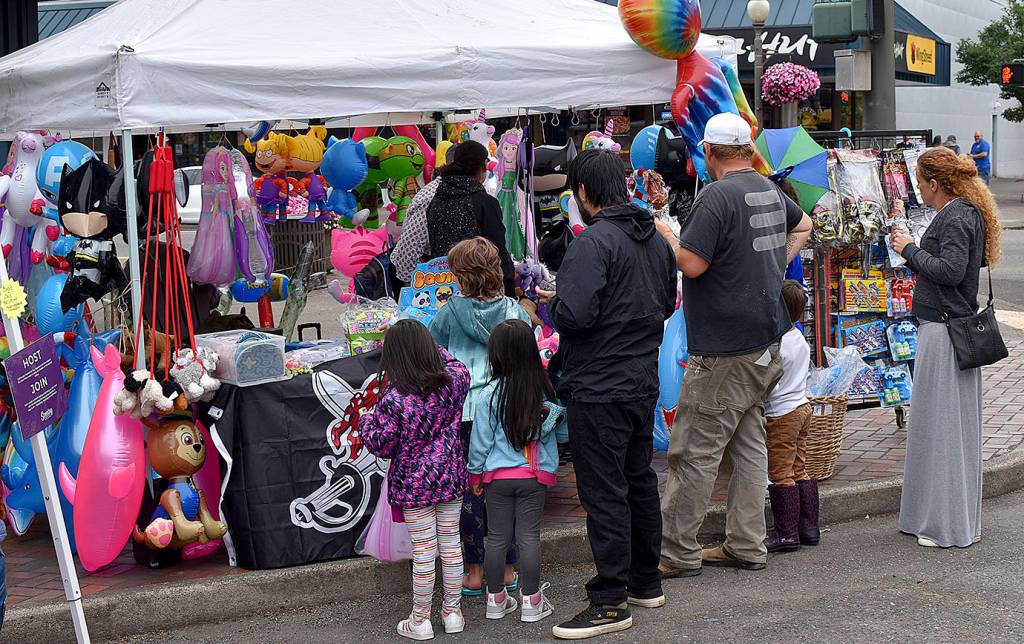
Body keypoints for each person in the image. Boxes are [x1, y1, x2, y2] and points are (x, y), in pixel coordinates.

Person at [655, 112, 812, 576]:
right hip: (766, 339)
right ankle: (746, 542)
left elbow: (692, 264)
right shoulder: (769, 188)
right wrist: (771, 265)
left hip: (723, 349)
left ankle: (678, 553)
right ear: (747, 148)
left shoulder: (716, 197)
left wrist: (667, 235)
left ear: (708, 152)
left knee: (693, 452)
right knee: (748, 446)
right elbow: (802, 226)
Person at [536, 149, 676, 639]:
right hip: (640, 379)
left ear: (582, 194)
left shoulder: (593, 242)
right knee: (637, 479)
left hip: (598, 383)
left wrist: (551, 308)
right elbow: (663, 304)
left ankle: (612, 599)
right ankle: (644, 579)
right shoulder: (655, 240)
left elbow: (574, 315)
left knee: (605, 490)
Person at [890, 147, 1002, 549]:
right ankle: (944, 518)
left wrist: (908, 249)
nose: (918, 189)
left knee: (942, 429)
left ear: (935, 183)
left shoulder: (955, 216)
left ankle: (945, 525)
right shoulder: (965, 211)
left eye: (920, 182)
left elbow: (951, 272)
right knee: (947, 427)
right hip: (951, 328)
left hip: (944, 329)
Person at [429, 237, 530, 596]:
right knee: (504, 488)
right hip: (505, 409)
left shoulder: (448, 313)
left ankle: (473, 571)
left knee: (467, 495)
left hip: (464, 412)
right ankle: (505, 569)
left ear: (461, 276)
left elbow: (432, 355)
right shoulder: (515, 311)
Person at [358, 320, 472, 640]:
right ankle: (453, 613)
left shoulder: (394, 398)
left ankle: (420, 620)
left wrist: (367, 424)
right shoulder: (453, 381)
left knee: (424, 551)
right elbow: (456, 363)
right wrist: (429, 347)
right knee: (451, 547)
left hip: (413, 484)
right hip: (450, 476)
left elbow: (383, 445)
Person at [467, 319, 568, 623]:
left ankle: (496, 600)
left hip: (497, 478)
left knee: (496, 537)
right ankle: (531, 601)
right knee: (529, 537)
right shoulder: (543, 391)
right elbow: (561, 435)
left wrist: (475, 474)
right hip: (533, 476)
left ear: (494, 355)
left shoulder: (488, 396)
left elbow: (480, 442)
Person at [391, 141, 515, 295]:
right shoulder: (484, 202)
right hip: (478, 291)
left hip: (441, 289)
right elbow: (498, 251)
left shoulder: (436, 198)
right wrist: (509, 292)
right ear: (482, 166)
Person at [763, 281, 818, 553]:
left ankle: (785, 533)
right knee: (800, 467)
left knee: (781, 472)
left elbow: (762, 380)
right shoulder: (799, 340)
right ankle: (809, 527)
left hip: (781, 413)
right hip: (802, 407)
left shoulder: (777, 346)